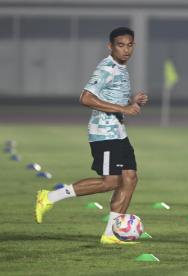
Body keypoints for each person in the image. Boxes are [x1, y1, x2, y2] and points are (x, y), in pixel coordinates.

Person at [34, 27, 148, 244]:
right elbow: (85, 98)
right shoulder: (106, 67)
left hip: (119, 133)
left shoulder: (121, 68)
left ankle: (110, 234)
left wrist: (132, 102)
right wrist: (125, 109)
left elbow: (113, 100)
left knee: (130, 179)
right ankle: (49, 197)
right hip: (104, 134)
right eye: (120, 45)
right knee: (110, 182)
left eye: (129, 45)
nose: (126, 50)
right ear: (110, 46)